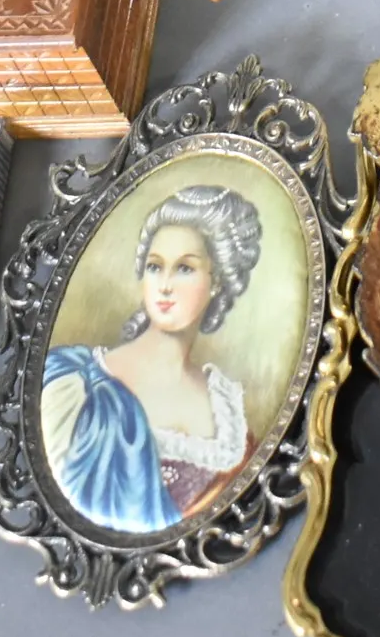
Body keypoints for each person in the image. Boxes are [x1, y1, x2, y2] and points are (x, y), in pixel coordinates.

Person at [41, 184, 264, 532]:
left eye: (185, 268)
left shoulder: (232, 428)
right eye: (155, 266)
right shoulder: (71, 380)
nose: (165, 285)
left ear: (217, 281)